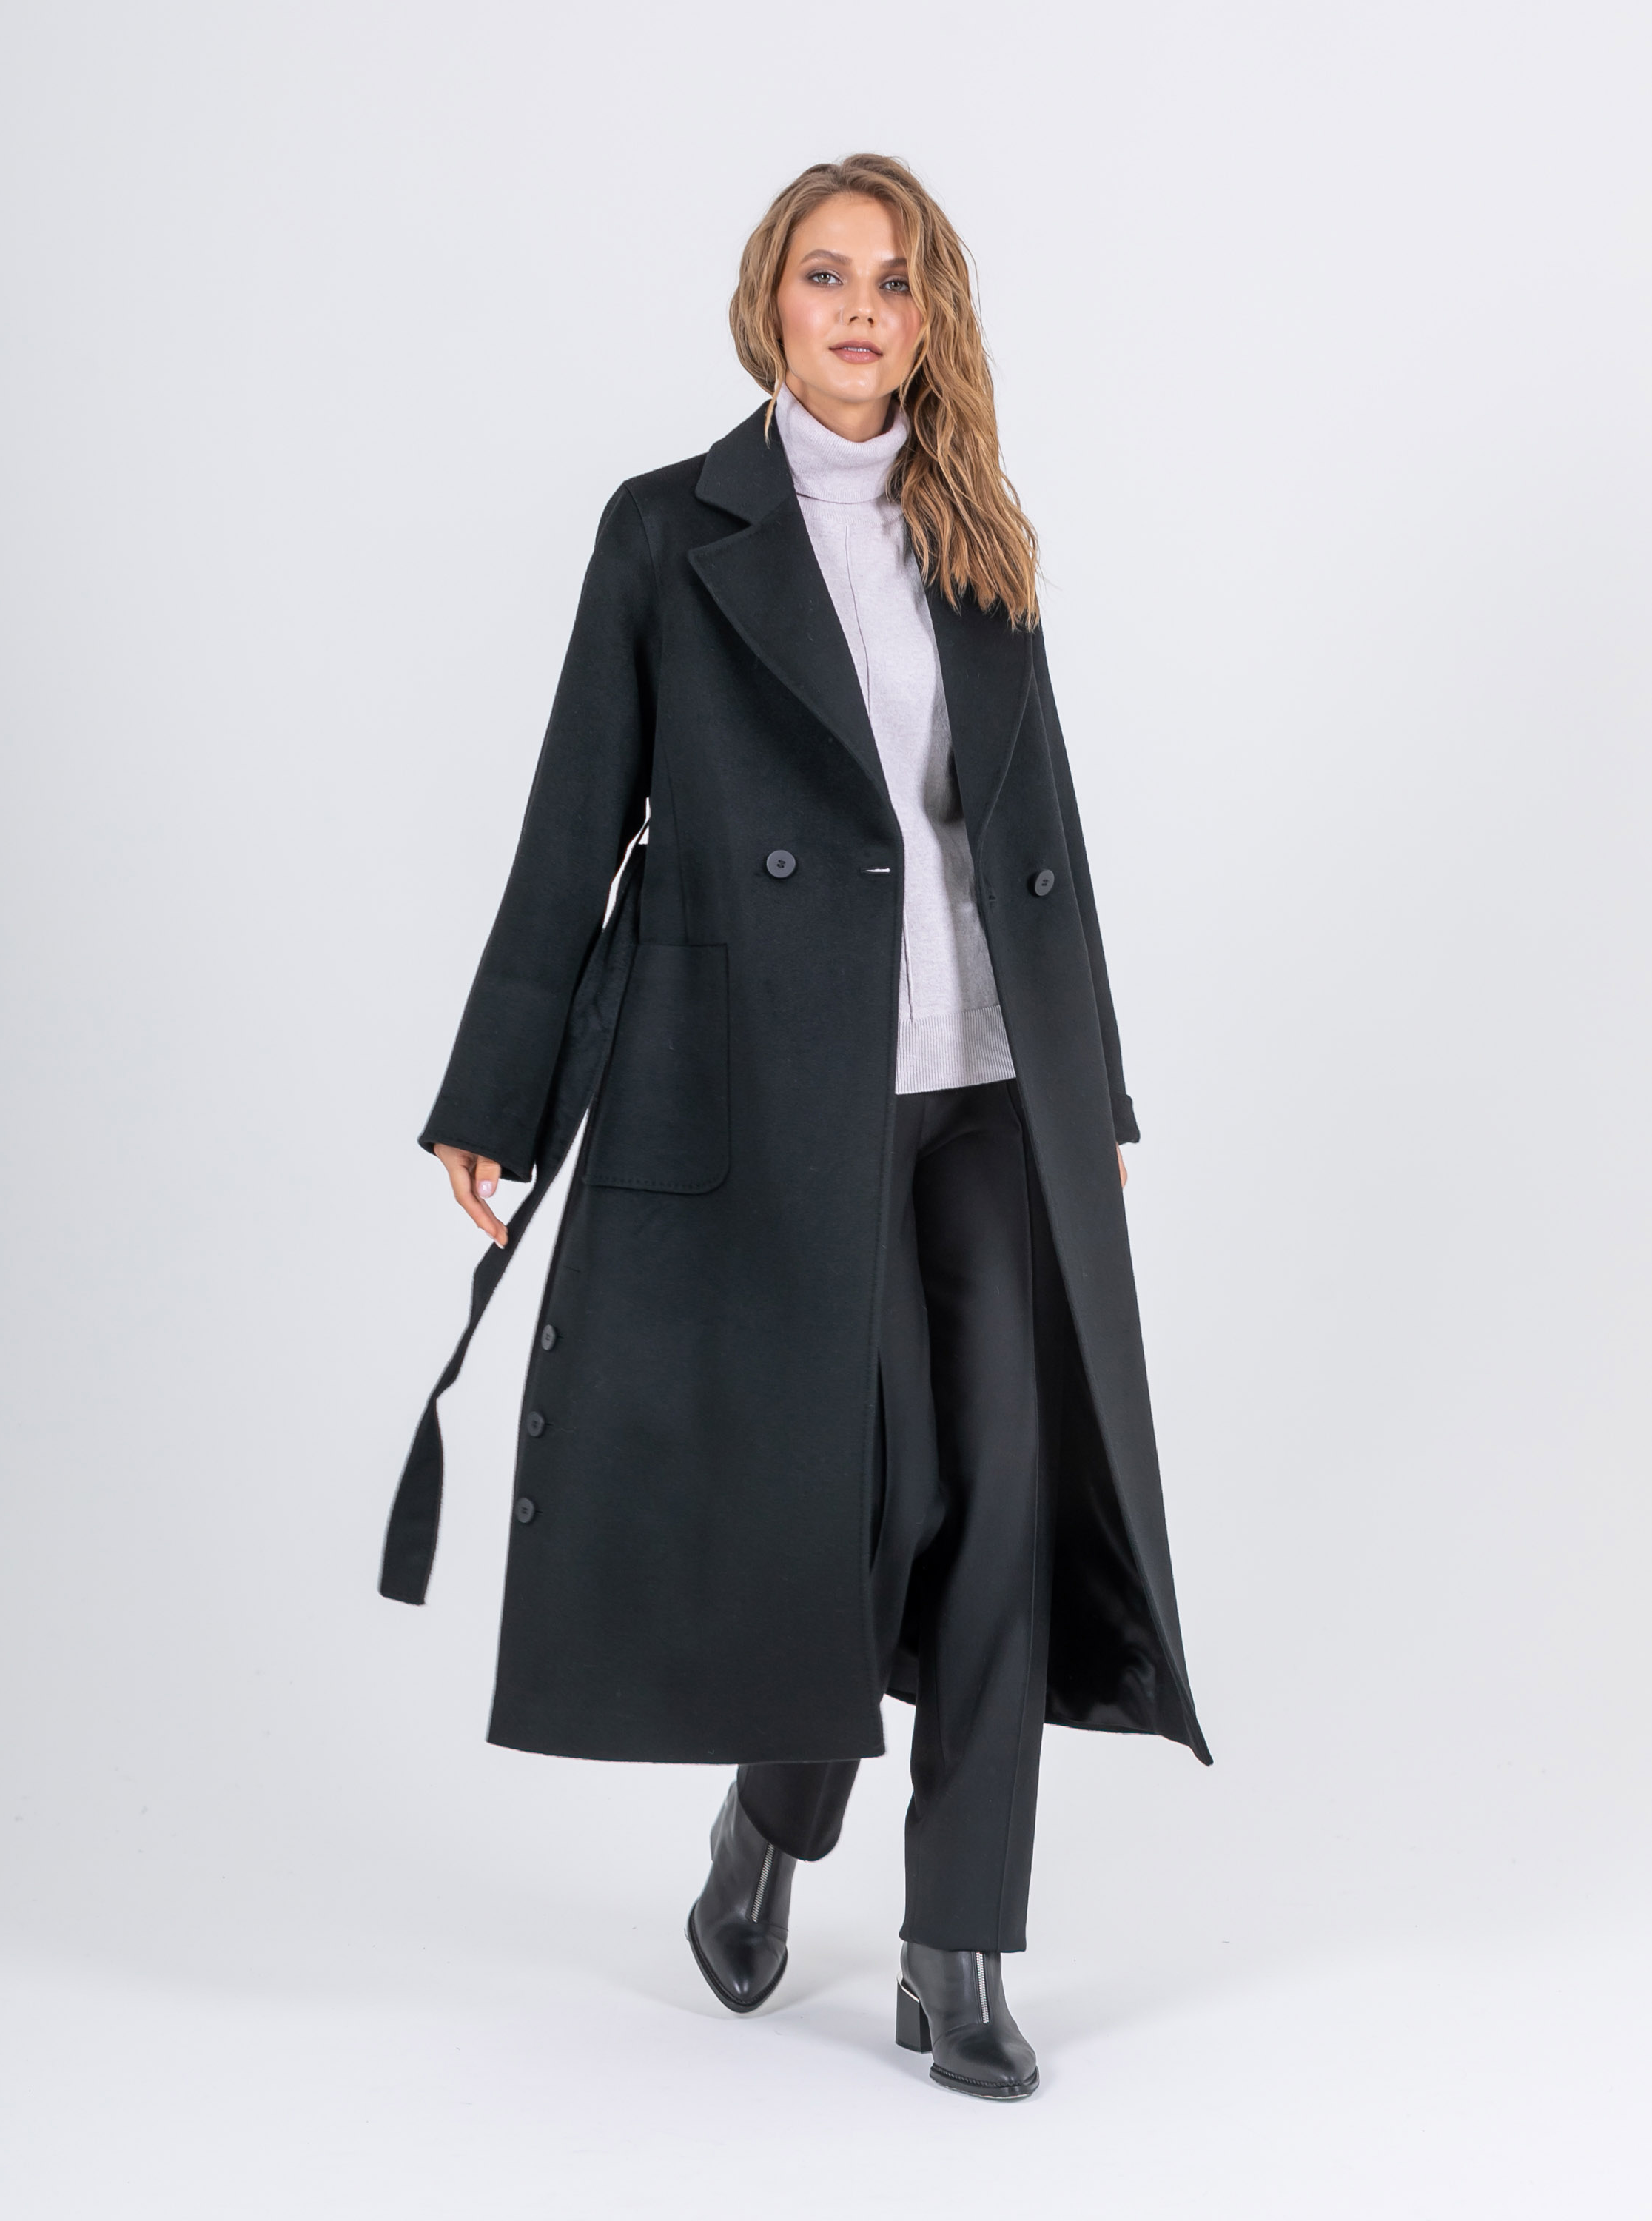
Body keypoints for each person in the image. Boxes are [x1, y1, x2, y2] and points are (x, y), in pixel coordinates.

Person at [386, 153, 1209, 2103]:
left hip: (990, 1090)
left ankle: (960, 1943)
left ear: (931, 321)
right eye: (827, 276)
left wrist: (1091, 1090)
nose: (861, 311)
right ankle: (769, 1823)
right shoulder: (670, 531)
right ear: (770, 300)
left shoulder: (974, 526)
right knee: (871, 1509)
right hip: (777, 1085)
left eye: (895, 282)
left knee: (1003, 1499)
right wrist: (495, 1090)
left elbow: (1040, 834)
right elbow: (575, 815)